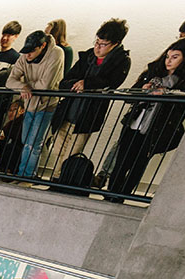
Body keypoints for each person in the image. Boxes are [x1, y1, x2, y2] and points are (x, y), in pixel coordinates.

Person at [107, 38, 185, 199]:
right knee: (121, 161)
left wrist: (165, 95)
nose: (169, 61)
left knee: (139, 164)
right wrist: (143, 90)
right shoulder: (152, 73)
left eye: (175, 57)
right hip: (135, 122)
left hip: (157, 128)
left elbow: (184, 106)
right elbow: (130, 96)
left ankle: (122, 196)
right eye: (167, 56)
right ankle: (110, 194)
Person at [50, 20, 131, 171]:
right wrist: (76, 84)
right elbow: (65, 81)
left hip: (88, 115)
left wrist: (87, 84)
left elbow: (111, 83)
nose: (97, 47)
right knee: (57, 150)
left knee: (71, 154)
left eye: (103, 44)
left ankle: (61, 180)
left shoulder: (121, 61)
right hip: (69, 111)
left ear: (115, 44)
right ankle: (55, 177)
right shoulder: (87, 56)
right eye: (97, 42)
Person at [7, 31, 64, 178]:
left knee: (34, 143)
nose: (28, 55)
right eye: (26, 51)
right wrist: (22, 86)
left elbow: (45, 85)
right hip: (29, 104)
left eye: (31, 51)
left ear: (43, 46)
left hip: (46, 105)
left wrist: (25, 86)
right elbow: (9, 81)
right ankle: (23, 174)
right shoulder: (24, 57)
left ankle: (27, 175)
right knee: (26, 141)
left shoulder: (56, 53)